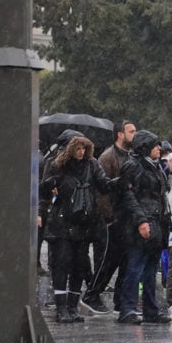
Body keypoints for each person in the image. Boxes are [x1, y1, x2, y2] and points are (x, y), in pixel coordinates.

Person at [39, 136, 114, 323]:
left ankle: (73, 306)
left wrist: (119, 182)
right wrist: (51, 186)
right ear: (71, 149)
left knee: (79, 266)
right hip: (62, 222)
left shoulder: (92, 165)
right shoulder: (58, 165)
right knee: (61, 265)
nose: (81, 152)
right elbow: (44, 188)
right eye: (78, 149)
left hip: (83, 222)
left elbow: (103, 184)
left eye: (84, 149)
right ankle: (62, 307)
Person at [116, 130, 172, 324]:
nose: (159, 148)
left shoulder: (154, 167)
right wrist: (141, 221)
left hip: (157, 224)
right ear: (146, 147)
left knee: (150, 271)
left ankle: (151, 309)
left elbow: (161, 193)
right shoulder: (133, 166)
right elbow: (128, 197)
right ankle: (128, 309)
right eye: (156, 145)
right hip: (141, 225)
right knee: (135, 268)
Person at [82, 120, 136, 314]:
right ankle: (92, 295)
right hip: (112, 219)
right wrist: (109, 217)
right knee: (108, 260)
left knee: (125, 260)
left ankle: (120, 301)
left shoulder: (129, 155)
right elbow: (101, 190)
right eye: (131, 131)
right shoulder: (108, 157)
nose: (134, 134)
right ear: (120, 134)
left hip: (126, 217)